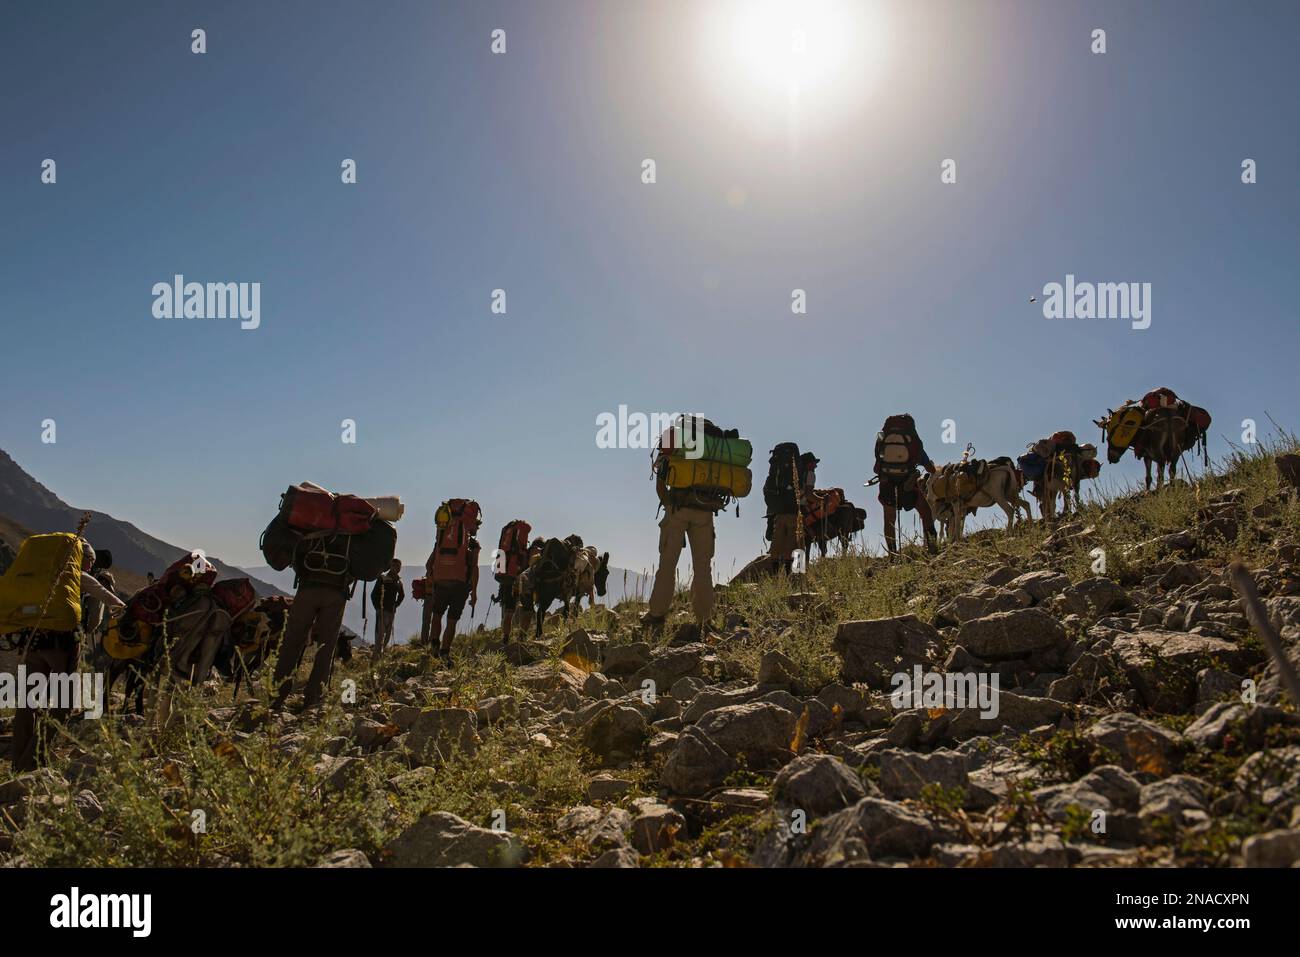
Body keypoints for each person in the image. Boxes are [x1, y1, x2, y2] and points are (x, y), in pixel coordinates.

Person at [12, 540, 124, 772]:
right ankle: (31, 760)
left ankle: (17, 762)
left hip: (32, 643)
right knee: (64, 705)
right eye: (89, 561)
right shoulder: (77, 575)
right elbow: (101, 606)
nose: (90, 565)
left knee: (27, 703)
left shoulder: (42, 574)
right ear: (84, 559)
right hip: (62, 647)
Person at [641, 450, 725, 629]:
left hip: (677, 508)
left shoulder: (673, 445)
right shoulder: (711, 451)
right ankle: (705, 620)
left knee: (667, 564)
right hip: (704, 511)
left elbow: (660, 485)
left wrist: (669, 504)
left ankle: (656, 614)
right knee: (703, 567)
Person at [271, 533, 355, 710]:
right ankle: (313, 698)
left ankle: (277, 696)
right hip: (336, 592)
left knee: (292, 641)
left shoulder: (314, 521)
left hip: (307, 588)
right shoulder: (353, 530)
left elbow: (297, 555)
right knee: (326, 647)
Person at [422, 500, 482, 661]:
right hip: (460, 585)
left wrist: (432, 579)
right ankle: (445, 653)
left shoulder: (441, 539)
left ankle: (433, 647)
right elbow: (474, 569)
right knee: (452, 621)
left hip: (441, 582)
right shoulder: (472, 545)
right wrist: (474, 593)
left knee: (437, 615)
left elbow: (429, 564)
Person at [873, 414, 939, 556]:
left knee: (889, 520)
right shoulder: (913, 442)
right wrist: (930, 466)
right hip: (908, 484)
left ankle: (893, 554)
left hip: (887, 484)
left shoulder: (881, 439)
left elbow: (876, 466)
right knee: (926, 513)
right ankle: (933, 549)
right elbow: (930, 469)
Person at [494, 520, 532, 643]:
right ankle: (522, 637)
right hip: (519, 578)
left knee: (509, 611)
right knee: (528, 609)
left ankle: (505, 638)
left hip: (505, 578)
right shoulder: (521, 547)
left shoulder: (506, 543)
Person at [369, 559, 405, 658]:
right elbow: (373, 595)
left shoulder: (398, 581)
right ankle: (375, 659)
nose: (396, 568)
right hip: (382, 611)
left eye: (398, 566)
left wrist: (396, 605)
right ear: (390, 566)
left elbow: (402, 595)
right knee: (380, 636)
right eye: (394, 566)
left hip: (391, 612)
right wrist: (378, 608)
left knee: (387, 636)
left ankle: (380, 656)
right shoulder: (383, 578)